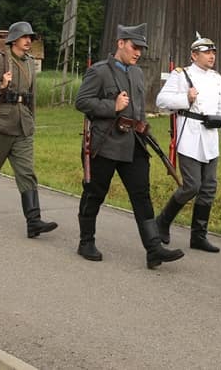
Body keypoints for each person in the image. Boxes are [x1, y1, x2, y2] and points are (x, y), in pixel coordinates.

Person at [75, 23, 185, 269]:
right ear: (120, 43)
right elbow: (82, 101)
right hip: (106, 143)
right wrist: (111, 107)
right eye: (135, 47)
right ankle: (86, 241)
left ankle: (153, 249)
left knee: (141, 195)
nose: (138, 53)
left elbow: (138, 108)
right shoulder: (100, 72)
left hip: (134, 142)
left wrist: (144, 127)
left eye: (141, 49)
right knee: (95, 193)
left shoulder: (137, 72)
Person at [0, 21, 58, 238]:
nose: (29, 41)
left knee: (27, 173)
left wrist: (32, 121)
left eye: (31, 38)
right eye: (25, 37)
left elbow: (32, 96)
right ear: (14, 39)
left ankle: (34, 221)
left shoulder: (29, 62)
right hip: (0, 125)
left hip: (23, 125)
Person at [155, 33, 221, 253]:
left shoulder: (216, 78)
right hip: (190, 135)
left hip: (210, 135)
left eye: (213, 52)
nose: (211, 56)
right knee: (192, 186)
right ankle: (162, 222)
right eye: (206, 52)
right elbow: (161, 100)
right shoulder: (181, 75)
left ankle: (198, 236)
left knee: (209, 188)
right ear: (194, 55)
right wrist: (186, 99)